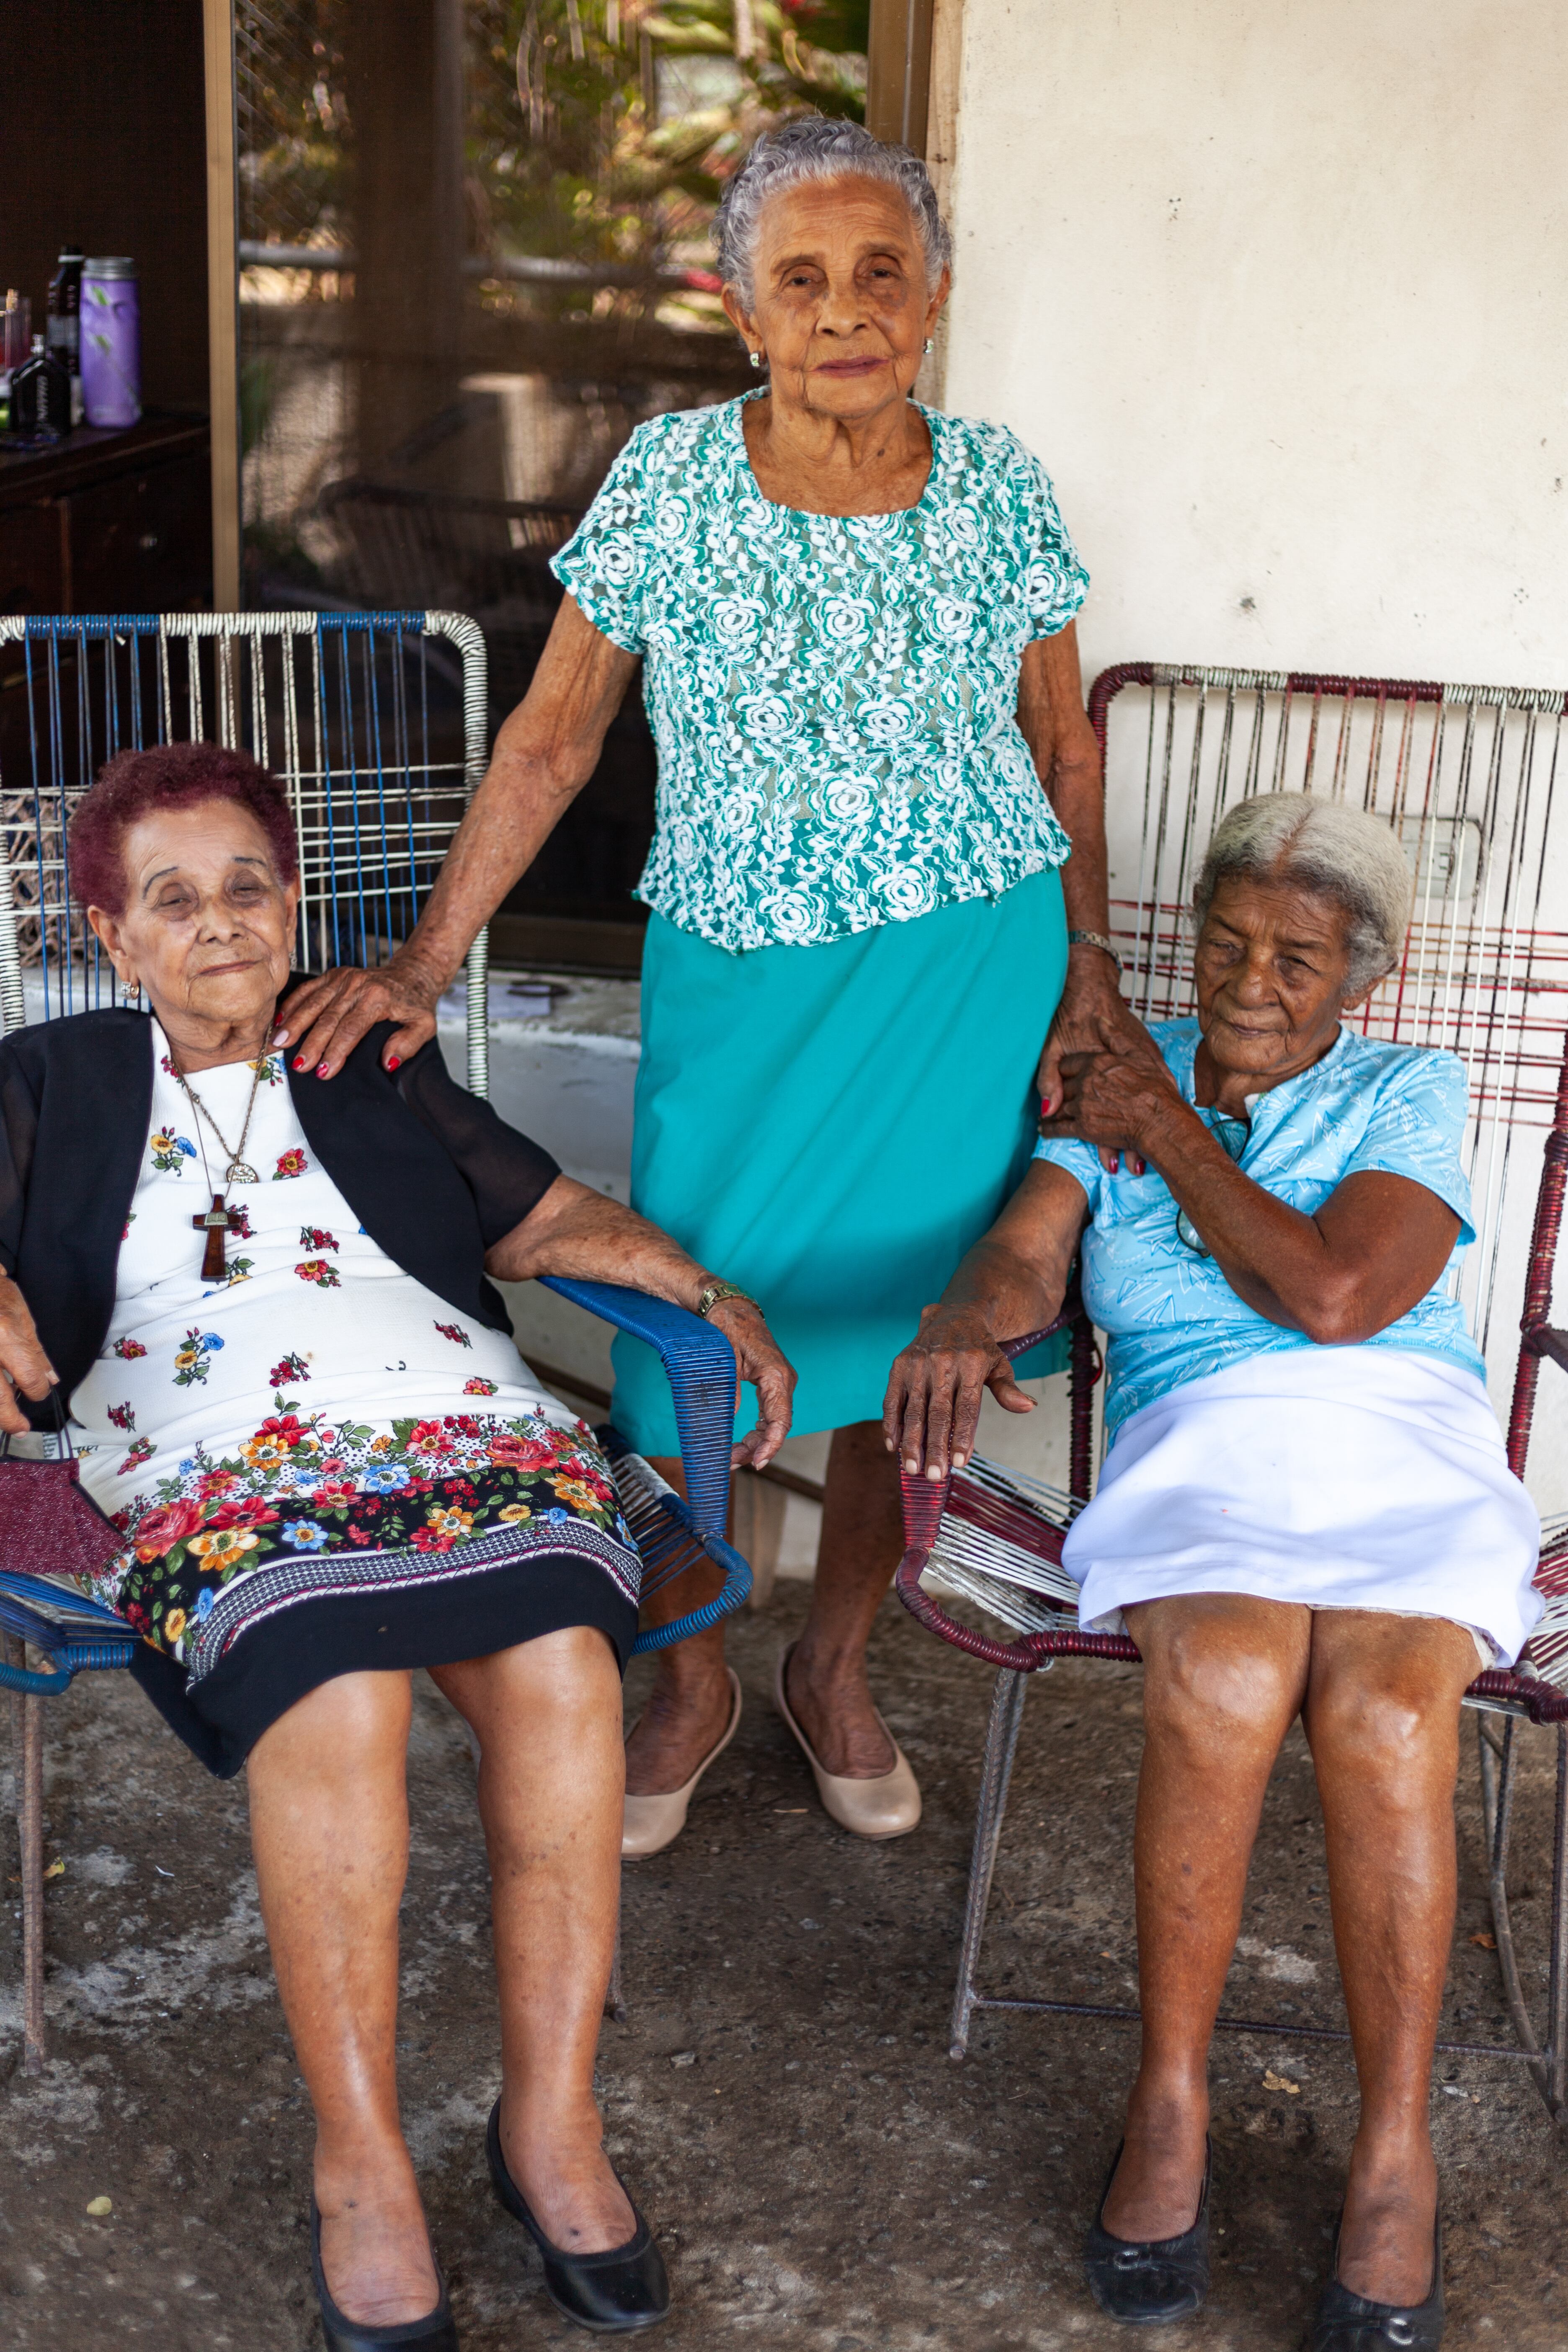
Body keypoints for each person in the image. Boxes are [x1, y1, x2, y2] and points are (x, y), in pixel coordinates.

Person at [275, 113, 1145, 1854]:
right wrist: (428, 961)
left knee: (911, 1341)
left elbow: (1063, 744)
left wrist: (1091, 971)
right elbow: (553, 740)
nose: (846, 310)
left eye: (881, 273)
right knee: (692, 1335)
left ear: (935, 296)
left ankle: (835, 1663)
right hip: (744, 983)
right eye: (800, 280)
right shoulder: (673, 483)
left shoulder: (998, 483)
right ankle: (692, 1677)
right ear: (742, 312)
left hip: (965, 974)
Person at [0, 742, 794, 2350]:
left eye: (248, 886)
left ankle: (551, 2120)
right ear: (112, 934)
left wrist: (706, 1291)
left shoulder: (359, 1050)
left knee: (565, 1669)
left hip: (463, 1424)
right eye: (173, 898)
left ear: (294, 903)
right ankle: (359, 2158)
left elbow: (543, 1219)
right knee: (336, 1691)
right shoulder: (47, 1080)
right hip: (214, 1452)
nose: (220, 923)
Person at [884, 792, 1540, 2347]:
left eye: (1296, 959)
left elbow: (1336, 1298)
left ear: (1362, 975)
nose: (1251, 981)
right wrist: (971, 1309)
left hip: (1400, 1435)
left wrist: (1165, 1123)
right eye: (1228, 941)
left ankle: (1395, 2153)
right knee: (1232, 1675)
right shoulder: (1112, 1080)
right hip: (1204, 1443)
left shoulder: (1403, 1088)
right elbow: (1032, 1247)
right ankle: (1168, 2097)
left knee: (1389, 1713)